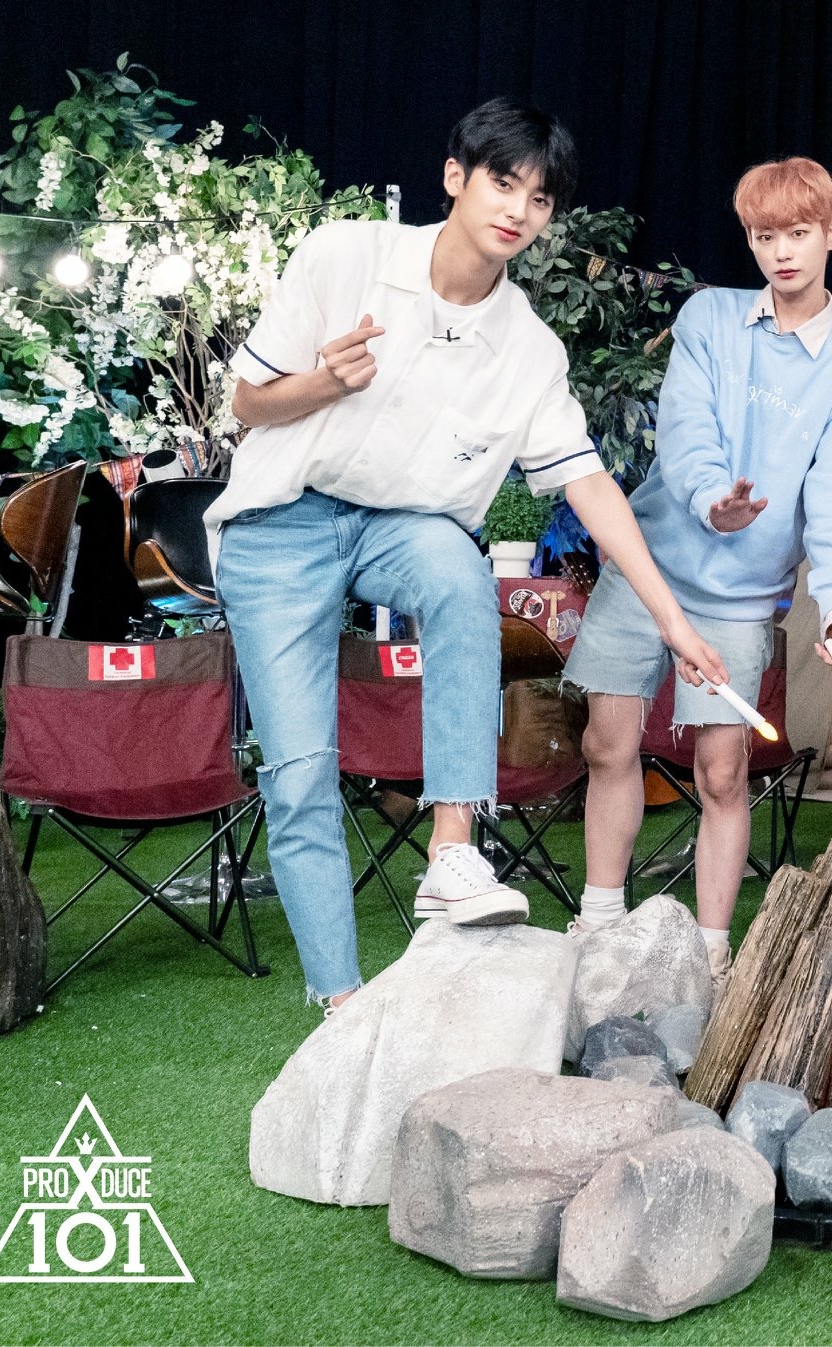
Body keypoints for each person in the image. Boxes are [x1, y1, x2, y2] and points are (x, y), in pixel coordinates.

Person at [213, 98, 724, 1014]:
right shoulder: (345, 256)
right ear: (456, 176)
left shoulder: (527, 347)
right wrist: (324, 382)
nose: (518, 209)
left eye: (540, 197)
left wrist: (674, 621)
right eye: (502, 182)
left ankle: (452, 848)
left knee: (458, 569)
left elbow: (589, 484)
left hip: (402, 525)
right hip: (281, 521)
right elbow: (247, 404)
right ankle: (341, 1004)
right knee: (300, 774)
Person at [564, 156, 832, 982]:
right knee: (606, 742)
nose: (782, 252)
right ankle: (599, 922)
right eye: (765, 236)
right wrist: (715, 502)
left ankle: (709, 953)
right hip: (649, 568)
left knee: (723, 770)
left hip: (742, 598)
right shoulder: (709, 318)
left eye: (799, 233)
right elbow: (685, 433)